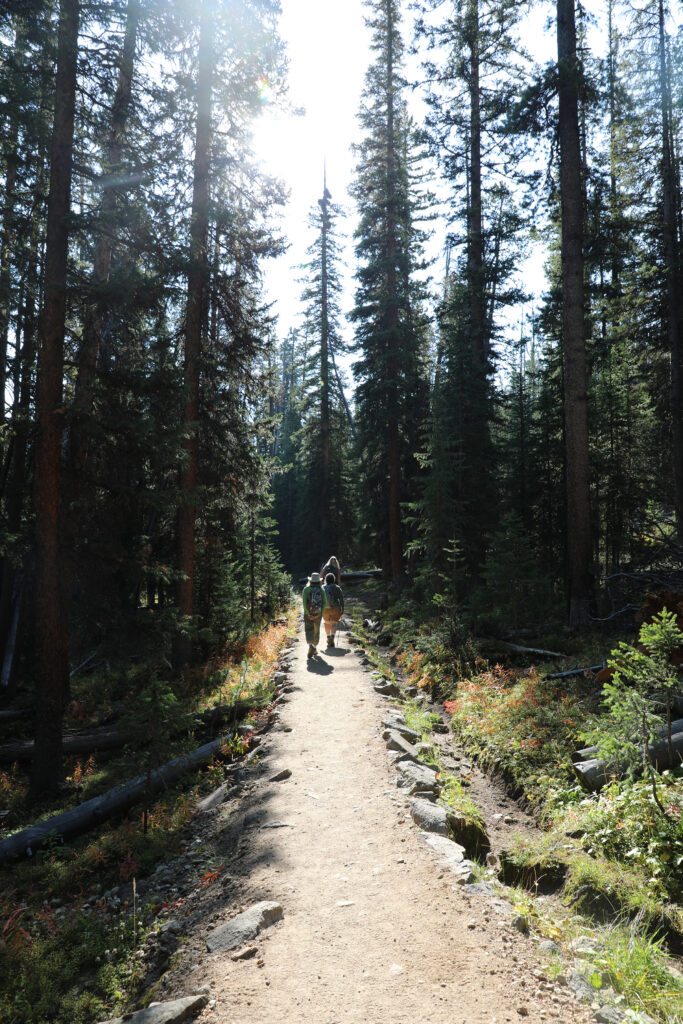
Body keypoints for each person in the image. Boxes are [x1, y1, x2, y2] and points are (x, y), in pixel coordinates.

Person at [302, 571, 327, 659]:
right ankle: (314, 647)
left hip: (307, 614)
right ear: (319, 581)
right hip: (318, 614)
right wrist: (319, 614)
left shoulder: (306, 589)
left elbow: (304, 603)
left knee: (309, 630)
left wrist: (308, 613)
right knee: (316, 631)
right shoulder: (321, 590)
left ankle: (310, 646)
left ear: (310, 580)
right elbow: (324, 603)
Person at [322, 572, 344, 647]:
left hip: (325, 609)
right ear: (334, 580)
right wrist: (342, 609)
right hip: (335, 608)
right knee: (334, 623)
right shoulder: (337, 587)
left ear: (326, 580)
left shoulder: (323, 588)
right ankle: (332, 637)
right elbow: (341, 599)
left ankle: (328, 638)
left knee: (327, 623)